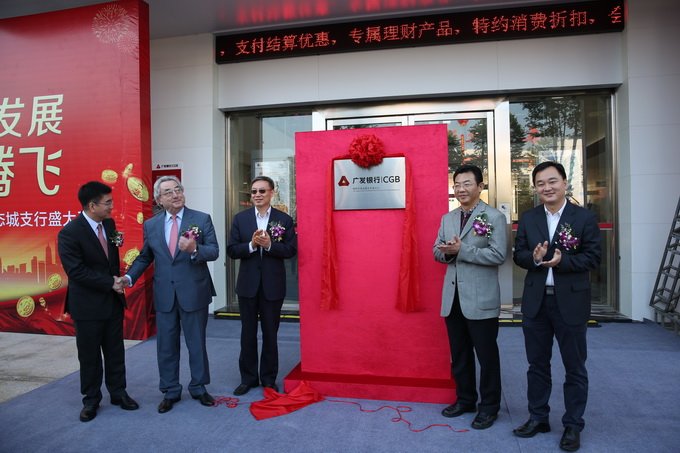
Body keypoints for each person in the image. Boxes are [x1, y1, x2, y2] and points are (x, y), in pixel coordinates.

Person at [512, 161, 601, 452]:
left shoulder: (584, 217)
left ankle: (573, 425)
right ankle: (538, 417)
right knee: (537, 365)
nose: (547, 188)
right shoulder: (529, 218)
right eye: (540, 183)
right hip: (536, 302)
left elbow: (593, 257)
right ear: (535, 188)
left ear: (564, 183)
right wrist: (535, 258)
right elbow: (519, 255)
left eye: (552, 181)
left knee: (574, 367)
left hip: (570, 303)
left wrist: (564, 261)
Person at [125, 176, 219, 413]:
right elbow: (145, 257)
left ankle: (199, 387)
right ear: (159, 199)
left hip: (194, 292)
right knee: (166, 345)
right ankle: (170, 390)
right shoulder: (151, 225)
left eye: (178, 189)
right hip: (165, 294)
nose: (175, 194)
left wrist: (195, 249)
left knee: (196, 343)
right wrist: (128, 278)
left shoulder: (201, 219)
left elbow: (214, 251)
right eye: (168, 192)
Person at [433, 164, 507, 430]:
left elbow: (498, 255)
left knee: (487, 357)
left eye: (467, 184)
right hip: (453, 298)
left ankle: (489, 407)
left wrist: (462, 250)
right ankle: (465, 400)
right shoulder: (448, 218)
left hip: (481, 299)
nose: (461, 189)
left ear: (480, 186)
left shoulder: (494, 217)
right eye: (457, 185)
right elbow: (436, 250)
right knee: (460, 354)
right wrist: (447, 252)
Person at [57, 181, 139, 422]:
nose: (112, 206)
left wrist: (117, 281)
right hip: (87, 306)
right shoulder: (70, 233)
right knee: (89, 356)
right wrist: (109, 282)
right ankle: (91, 400)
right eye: (108, 203)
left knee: (115, 352)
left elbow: (109, 260)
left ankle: (118, 393)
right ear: (92, 206)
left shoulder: (109, 225)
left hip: (112, 302)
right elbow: (76, 271)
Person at [227, 176, 297, 396]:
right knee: (247, 334)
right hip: (247, 286)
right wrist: (251, 245)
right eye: (254, 191)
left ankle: (268, 379)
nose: (257, 195)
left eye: (262, 191)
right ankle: (248, 378)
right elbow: (232, 250)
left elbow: (291, 250)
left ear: (272, 193)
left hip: (272, 286)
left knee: (270, 334)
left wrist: (269, 246)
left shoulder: (284, 219)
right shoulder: (240, 219)